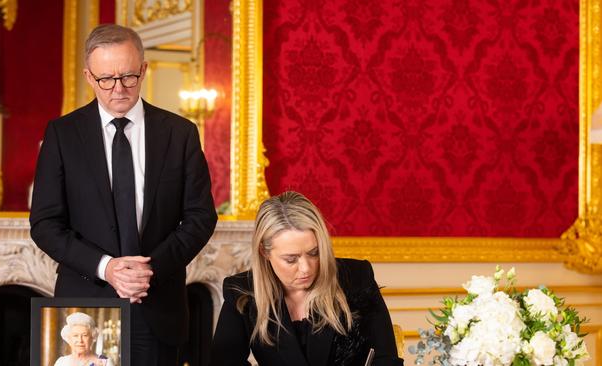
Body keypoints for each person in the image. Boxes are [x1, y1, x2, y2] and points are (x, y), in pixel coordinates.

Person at [30, 23, 218, 366]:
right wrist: (108, 268)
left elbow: (200, 217)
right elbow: (45, 224)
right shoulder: (62, 134)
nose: (118, 89)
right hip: (85, 306)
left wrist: (148, 270)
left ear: (143, 70)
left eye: (129, 77)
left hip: (159, 307)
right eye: (106, 79)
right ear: (89, 77)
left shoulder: (180, 133)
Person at [211, 191, 403, 366]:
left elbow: (386, 360)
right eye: (291, 259)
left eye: (314, 253)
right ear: (264, 251)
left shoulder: (356, 278)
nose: (306, 268)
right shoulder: (242, 291)